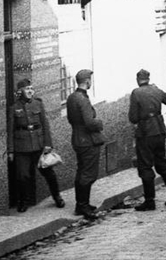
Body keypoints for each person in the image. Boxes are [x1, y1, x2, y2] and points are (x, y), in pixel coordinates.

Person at [7, 79, 65, 213]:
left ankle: (57, 196)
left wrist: (48, 144)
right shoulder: (14, 108)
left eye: (31, 88)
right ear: (20, 92)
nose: (30, 91)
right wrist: (11, 150)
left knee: (49, 173)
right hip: (22, 147)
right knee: (23, 176)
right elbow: (10, 131)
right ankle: (23, 201)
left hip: (39, 146)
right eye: (27, 89)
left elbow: (45, 125)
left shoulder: (38, 104)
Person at [128, 69, 166, 211]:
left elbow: (132, 117)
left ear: (138, 80)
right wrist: (158, 90)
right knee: (162, 164)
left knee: (145, 166)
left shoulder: (136, 93)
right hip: (159, 130)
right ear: (148, 79)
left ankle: (150, 201)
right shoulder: (156, 90)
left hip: (145, 133)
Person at [66, 69, 106, 220]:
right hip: (87, 140)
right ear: (87, 81)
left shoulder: (71, 97)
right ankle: (83, 205)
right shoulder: (82, 99)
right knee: (88, 173)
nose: (90, 82)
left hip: (77, 138)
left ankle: (82, 204)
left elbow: (71, 119)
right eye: (90, 80)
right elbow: (90, 122)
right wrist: (99, 123)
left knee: (81, 171)